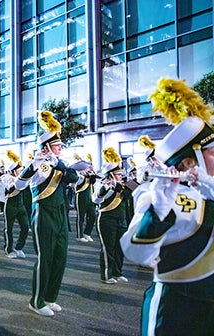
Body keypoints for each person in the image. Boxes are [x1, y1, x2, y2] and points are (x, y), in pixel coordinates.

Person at [121, 78, 214, 335]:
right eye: (212, 151)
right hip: (176, 311)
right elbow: (137, 253)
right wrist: (157, 214)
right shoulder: (163, 196)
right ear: (189, 162)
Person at [15, 111, 78, 317]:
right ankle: (36, 300)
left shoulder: (60, 163)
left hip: (60, 214)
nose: (60, 148)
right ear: (47, 146)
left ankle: (50, 297)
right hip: (44, 213)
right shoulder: (39, 164)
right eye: (57, 146)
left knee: (60, 257)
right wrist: (32, 165)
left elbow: (74, 178)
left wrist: (59, 163)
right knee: (46, 258)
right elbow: (19, 184)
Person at [93, 147, 131, 284]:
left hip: (121, 219)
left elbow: (129, 196)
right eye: (118, 174)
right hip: (106, 219)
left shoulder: (123, 184)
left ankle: (117, 272)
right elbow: (96, 199)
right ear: (110, 174)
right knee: (108, 248)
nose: (121, 176)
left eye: (121, 174)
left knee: (120, 248)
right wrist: (108, 187)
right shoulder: (102, 184)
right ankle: (106, 275)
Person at [1, 150, 29, 259]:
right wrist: (17, 181)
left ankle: (18, 247)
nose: (21, 172)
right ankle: (8, 250)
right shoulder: (6, 177)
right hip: (10, 204)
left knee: (25, 227)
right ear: (13, 171)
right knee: (9, 228)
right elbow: (9, 189)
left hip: (20, 204)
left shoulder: (22, 178)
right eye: (19, 170)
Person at [71, 154, 97, 243]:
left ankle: (87, 233)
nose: (88, 168)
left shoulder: (89, 175)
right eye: (87, 167)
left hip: (90, 198)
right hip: (81, 198)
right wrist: (86, 176)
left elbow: (93, 183)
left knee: (93, 216)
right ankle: (79, 235)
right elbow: (76, 183)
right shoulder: (79, 176)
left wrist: (92, 176)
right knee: (81, 217)